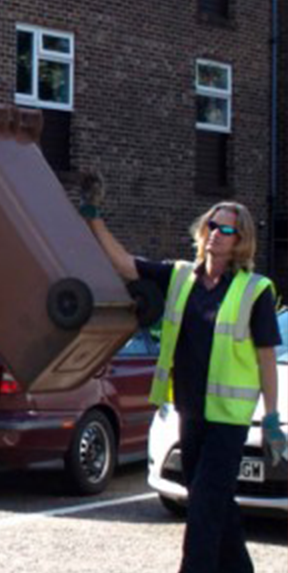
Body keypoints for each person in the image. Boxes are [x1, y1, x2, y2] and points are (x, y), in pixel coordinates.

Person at [78, 176, 285, 573]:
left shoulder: (255, 290)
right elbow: (123, 264)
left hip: (228, 420)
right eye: (212, 224)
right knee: (215, 503)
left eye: (227, 229)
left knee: (204, 508)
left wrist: (272, 416)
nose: (216, 234)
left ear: (240, 240)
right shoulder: (179, 277)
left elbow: (265, 359)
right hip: (189, 413)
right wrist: (93, 216)